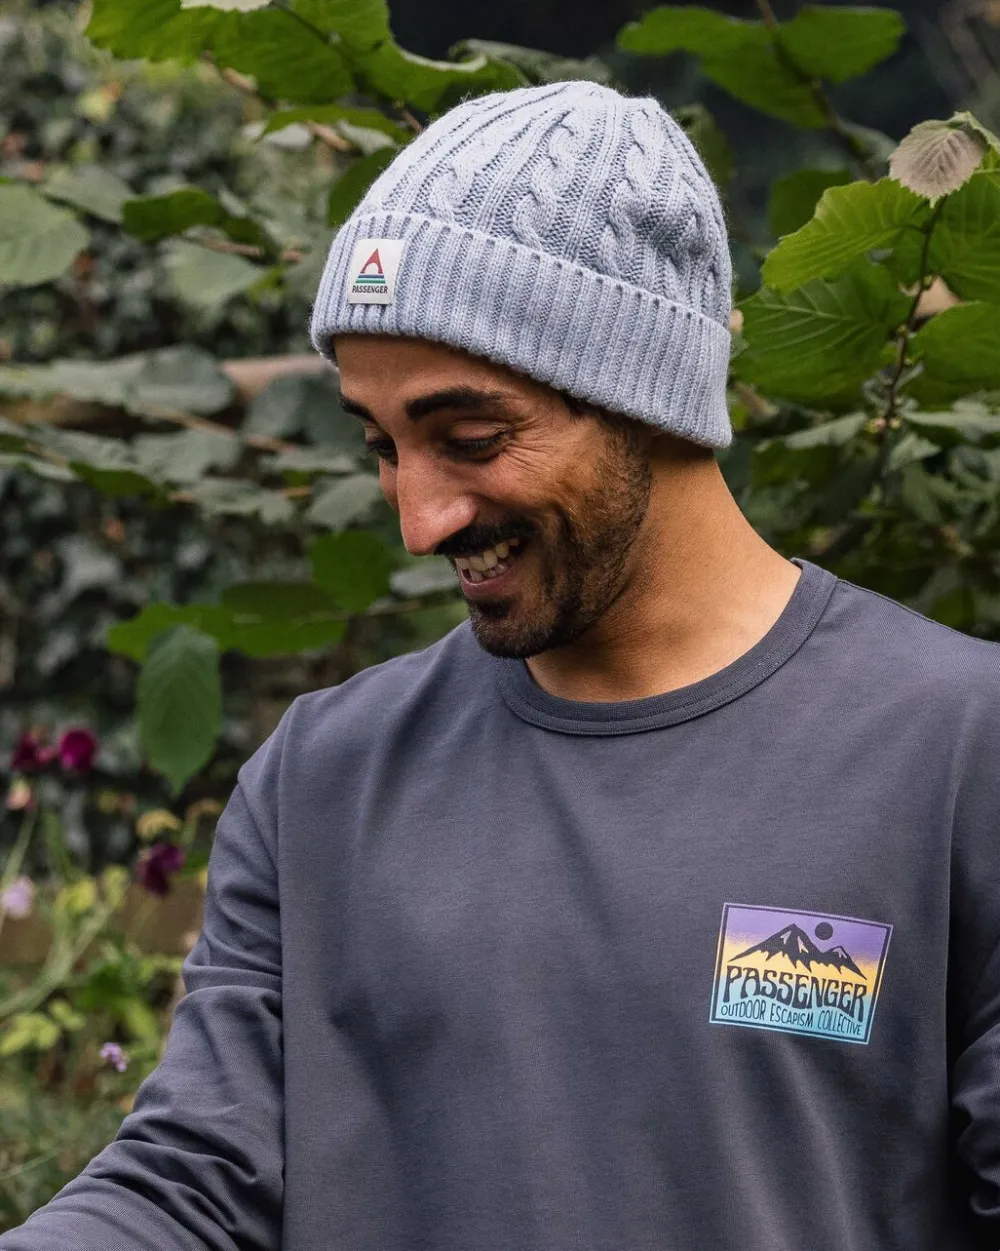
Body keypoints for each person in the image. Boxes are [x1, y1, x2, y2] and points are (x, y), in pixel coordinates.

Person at [3, 78, 1000, 1251]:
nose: (417, 519)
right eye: (381, 446)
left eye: (470, 439)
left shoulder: (956, 751)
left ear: (648, 391)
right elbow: (195, 1185)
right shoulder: (324, 776)